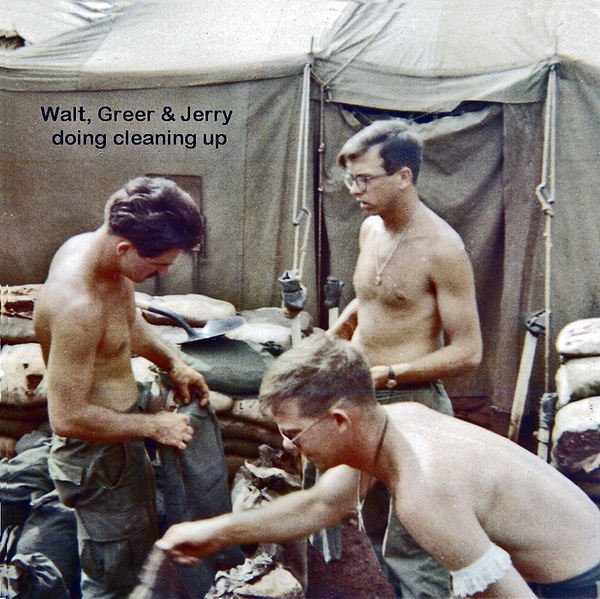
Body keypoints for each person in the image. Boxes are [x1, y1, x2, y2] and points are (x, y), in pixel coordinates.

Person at [159, 333, 600, 599]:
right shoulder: (396, 421)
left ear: (338, 420)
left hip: (581, 582)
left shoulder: (423, 493)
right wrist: (216, 533)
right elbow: (320, 505)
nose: (287, 444)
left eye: (294, 432)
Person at [325, 119, 483, 596]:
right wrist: (337, 334)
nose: (355, 190)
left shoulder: (442, 247)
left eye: (364, 179)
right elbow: (372, 296)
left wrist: (389, 374)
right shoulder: (371, 228)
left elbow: (468, 351)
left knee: (415, 548)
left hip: (414, 408)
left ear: (404, 176)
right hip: (364, 403)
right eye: (349, 179)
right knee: (366, 532)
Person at [34, 177, 210, 599]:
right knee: (112, 576)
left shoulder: (108, 260)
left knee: (136, 548)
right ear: (125, 249)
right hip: (96, 458)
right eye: (158, 265)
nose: (165, 273)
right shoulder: (78, 306)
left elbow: (129, 323)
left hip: (122, 433)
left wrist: (173, 362)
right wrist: (153, 427)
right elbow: (67, 418)